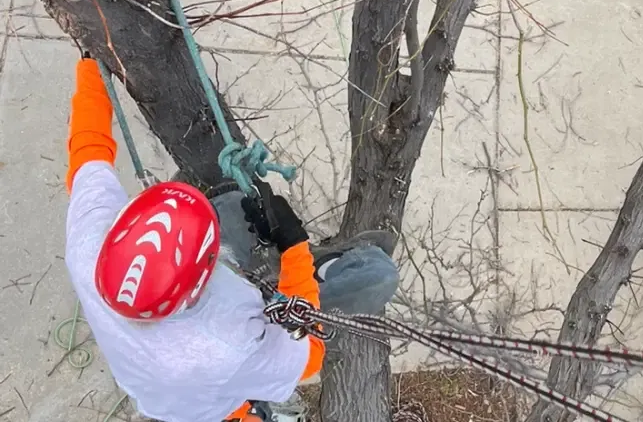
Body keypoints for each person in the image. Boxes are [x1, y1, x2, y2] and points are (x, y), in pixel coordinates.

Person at [63, 55, 400, 422]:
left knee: (233, 206)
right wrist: (295, 251)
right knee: (377, 275)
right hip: (222, 398)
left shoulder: (89, 250)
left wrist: (90, 66)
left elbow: (89, 148)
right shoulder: (226, 343)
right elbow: (309, 356)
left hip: (166, 394)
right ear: (200, 282)